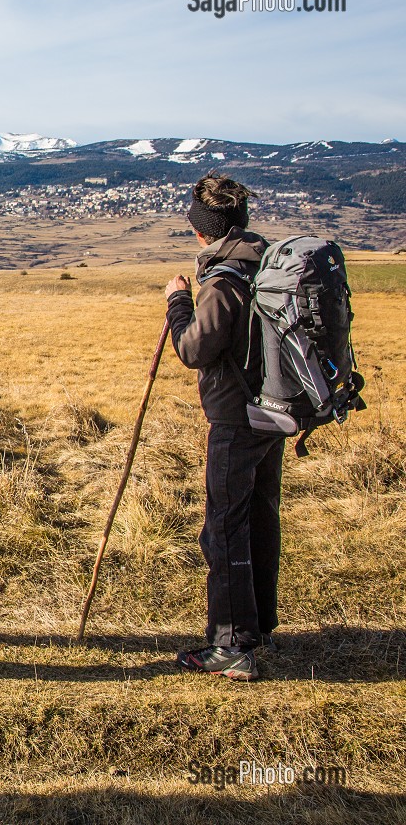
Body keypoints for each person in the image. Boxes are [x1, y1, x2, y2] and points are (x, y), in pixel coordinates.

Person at [164, 171, 281, 682]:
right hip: (272, 411)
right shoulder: (264, 265)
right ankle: (258, 625)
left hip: (235, 415)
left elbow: (193, 348)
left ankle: (232, 645)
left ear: (203, 230)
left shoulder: (225, 278)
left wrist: (178, 301)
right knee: (258, 515)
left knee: (225, 527)